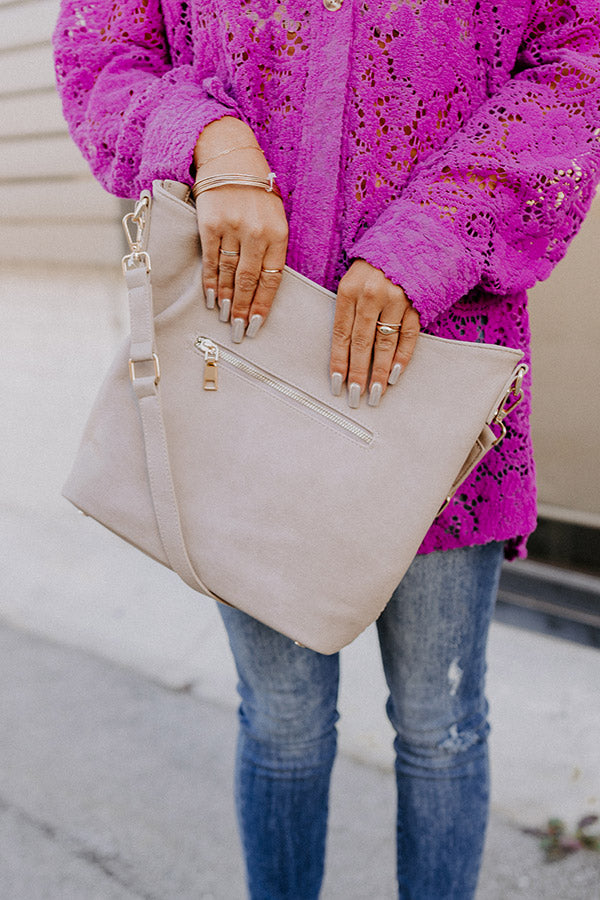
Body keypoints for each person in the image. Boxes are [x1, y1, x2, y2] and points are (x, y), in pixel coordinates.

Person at [53, 2, 600, 897]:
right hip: (245, 367)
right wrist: (213, 142)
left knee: (440, 725)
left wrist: (434, 237)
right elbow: (103, 51)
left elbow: (577, 58)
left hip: (439, 374)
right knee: (283, 723)